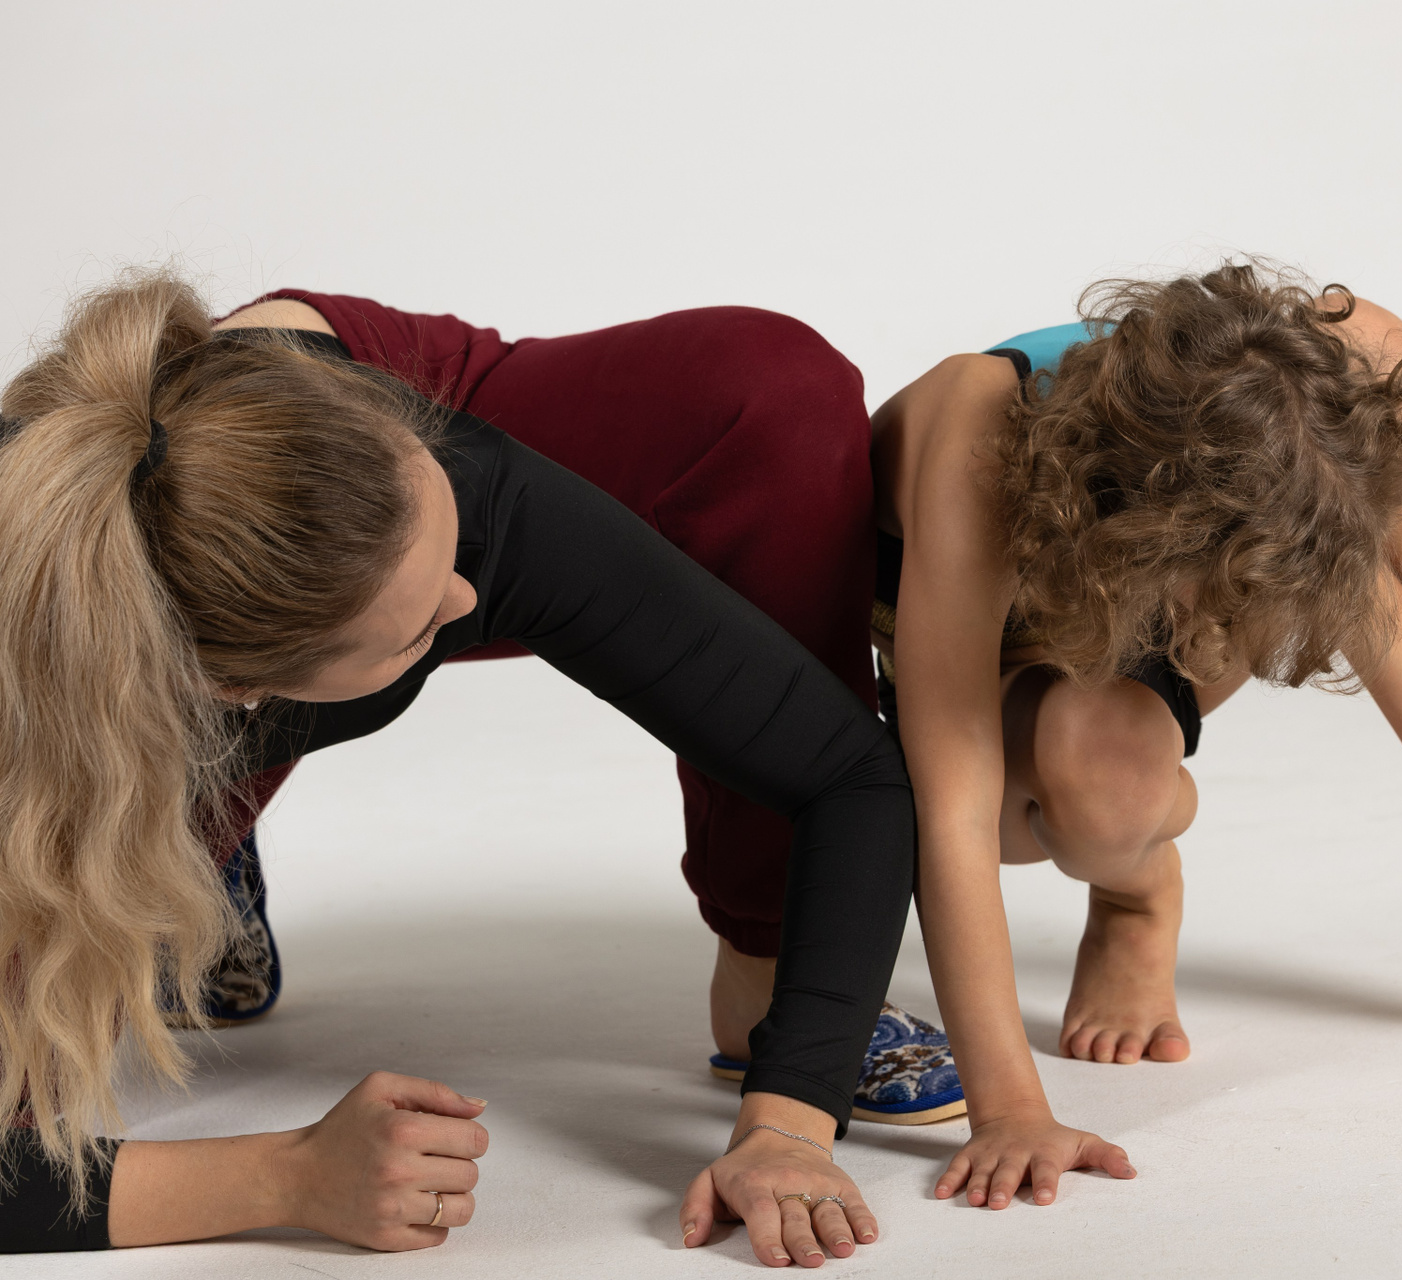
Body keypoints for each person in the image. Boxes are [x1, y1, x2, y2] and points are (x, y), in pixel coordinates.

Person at [0, 270, 926, 1266]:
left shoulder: (444, 481)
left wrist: (790, 1122)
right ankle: (183, 841)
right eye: (420, 633)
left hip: (287, 491)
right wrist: (290, 1174)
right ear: (239, 689)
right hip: (114, 741)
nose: (471, 602)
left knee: (771, 394)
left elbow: (849, 772)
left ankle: (762, 971)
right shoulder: (54, 747)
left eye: (449, 548)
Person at [868, 260, 1402, 1210]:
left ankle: (1134, 896)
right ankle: (1136, 876)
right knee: (972, 804)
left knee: (1107, 776)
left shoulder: (1282, 475)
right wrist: (1010, 1109)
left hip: (1144, 601)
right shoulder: (979, 433)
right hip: (991, 628)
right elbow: (955, 800)